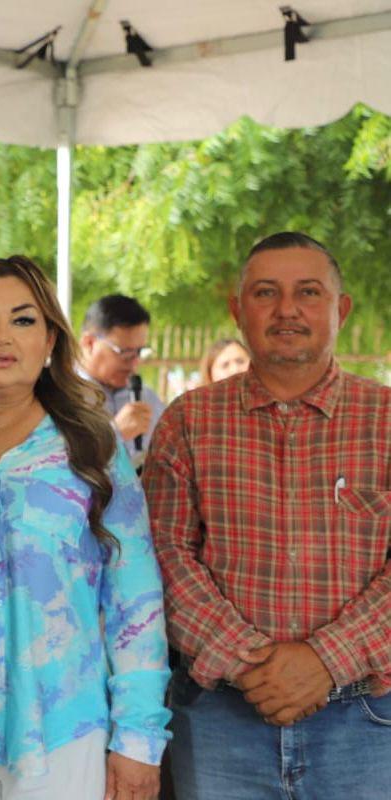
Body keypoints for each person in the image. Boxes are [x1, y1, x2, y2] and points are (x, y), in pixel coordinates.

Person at [144, 231, 391, 800]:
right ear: (238, 311)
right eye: (265, 293)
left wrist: (325, 660)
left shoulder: (384, 419)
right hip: (221, 720)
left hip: (367, 720)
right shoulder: (189, 422)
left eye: (308, 292)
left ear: (341, 309)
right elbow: (164, 555)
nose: (287, 309)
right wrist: (249, 663)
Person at [0, 257, 170, 800]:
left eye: (23, 320)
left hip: (65, 730)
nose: (2, 337)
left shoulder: (91, 445)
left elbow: (134, 599)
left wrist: (138, 739)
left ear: (51, 340)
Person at [78, 294, 164, 467]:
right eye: (124, 352)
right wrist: (114, 434)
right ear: (89, 343)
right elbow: (51, 466)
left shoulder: (148, 399)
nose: (134, 362)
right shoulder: (57, 395)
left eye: (139, 352)